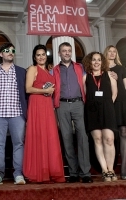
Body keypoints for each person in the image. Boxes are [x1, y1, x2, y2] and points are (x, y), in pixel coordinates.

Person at [23, 44, 65, 183]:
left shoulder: (50, 71)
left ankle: (50, 170)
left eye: (43, 54)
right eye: (38, 55)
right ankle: (39, 171)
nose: (41, 57)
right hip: (36, 105)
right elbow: (28, 89)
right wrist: (44, 91)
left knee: (50, 137)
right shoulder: (32, 69)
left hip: (48, 106)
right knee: (39, 136)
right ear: (34, 57)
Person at [53, 42, 93, 183]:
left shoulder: (80, 67)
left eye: (69, 50)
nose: (67, 53)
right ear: (59, 53)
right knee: (67, 138)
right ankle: (73, 173)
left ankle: (85, 173)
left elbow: (93, 76)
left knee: (82, 137)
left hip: (78, 104)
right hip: (62, 105)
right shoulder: (55, 70)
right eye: (64, 51)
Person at [0, 42, 27, 185]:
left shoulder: (21, 71)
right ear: (1, 54)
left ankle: (18, 174)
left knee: (18, 144)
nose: (10, 52)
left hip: (17, 114)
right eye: (7, 50)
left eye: (13, 50)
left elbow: (26, 93)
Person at [82, 52, 118, 182]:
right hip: (92, 111)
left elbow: (114, 94)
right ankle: (104, 170)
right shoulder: (85, 78)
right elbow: (85, 96)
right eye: (93, 60)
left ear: (102, 62)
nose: (96, 62)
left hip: (107, 109)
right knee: (97, 139)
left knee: (109, 139)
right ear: (89, 62)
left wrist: (106, 106)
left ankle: (111, 169)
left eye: (98, 60)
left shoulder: (110, 75)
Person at [104, 45, 126, 180]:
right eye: (110, 51)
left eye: (114, 52)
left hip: (122, 103)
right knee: (110, 136)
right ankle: (109, 169)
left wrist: (117, 78)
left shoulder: (122, 68)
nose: (112, 53)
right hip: (108, 104)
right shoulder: (101, 69)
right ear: (106, 53)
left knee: (124, 133)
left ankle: (124, 170)